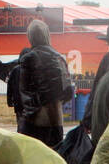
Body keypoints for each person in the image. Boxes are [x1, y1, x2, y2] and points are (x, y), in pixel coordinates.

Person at [14, 19, 72, 147]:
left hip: (36, 122)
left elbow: (25, 96)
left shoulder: (28, 59)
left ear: (30, 37)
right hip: (57, 119)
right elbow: (69, 92)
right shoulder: (59, 58)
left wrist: (24, 124)